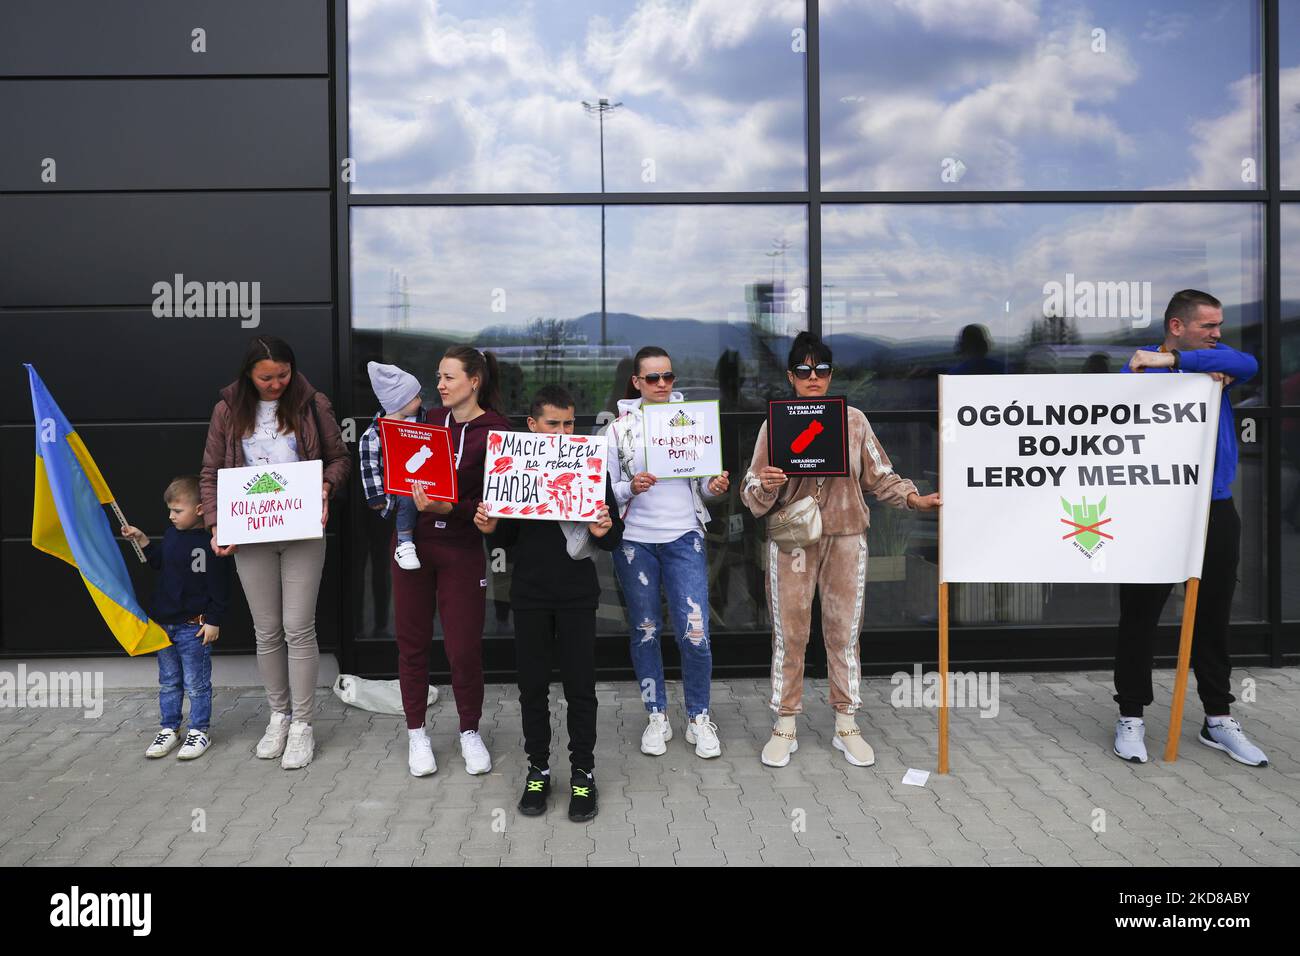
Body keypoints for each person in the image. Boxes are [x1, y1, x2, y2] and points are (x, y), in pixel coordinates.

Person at [741, 332, 941, 768]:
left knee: (843, 632)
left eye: (823, 370)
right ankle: (785, 722)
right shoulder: (774, 424)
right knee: (790, 633)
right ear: (792, 377)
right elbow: (751, 488)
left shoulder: (853, 422)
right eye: (805, 371)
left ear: (831, 375)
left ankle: (846, 722)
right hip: (794, 539)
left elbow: (880, 475)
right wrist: (768, 485)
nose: (814, 379)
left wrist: (913, 498)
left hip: (846, 535)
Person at [1114, 289, 1267, 766]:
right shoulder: (1139, 369)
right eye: (1209, 326)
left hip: (1214, 507)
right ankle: (1131, 716)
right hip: (1155, 508)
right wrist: (1170, 367)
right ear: (1177, 326)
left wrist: (1188, 362)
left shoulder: (1219, 362)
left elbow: (1251, 365)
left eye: (1220, 326)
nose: (1218, 334)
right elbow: (1122, 398)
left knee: (1214, 614)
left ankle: (1217, 718)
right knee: (1140, 614)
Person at [474, 385, 624, 821]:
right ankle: (537, 769)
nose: (562, 432)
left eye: (569, 423)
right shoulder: (511, 467)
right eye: (553, 424)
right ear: (533, 426)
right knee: (532, 689)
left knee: (581, 690)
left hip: (578, 596)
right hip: (530, 596)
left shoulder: (592, 469)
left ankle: (583, 774)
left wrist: (602, 531)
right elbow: (503, 538)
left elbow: (613, 538)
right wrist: (489, 526)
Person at [201, 336, 350, 770]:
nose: (275, 384)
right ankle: (278, 717)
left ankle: (303, 725)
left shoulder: (311, 402)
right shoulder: (227, 411)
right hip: (251, 530)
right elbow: (211, 472)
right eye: (266, 377)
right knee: (266, 630)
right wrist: (215, 523)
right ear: (249, 373)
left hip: (303, 528)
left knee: (297, 627)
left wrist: (326, 485)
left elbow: (338, 458)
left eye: (283, 375)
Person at [604, 346, 729, 758]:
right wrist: (630, 487)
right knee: (645, 631)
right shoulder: (618, 430)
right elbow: (608, 490)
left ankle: (698, 716)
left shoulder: (691, 421)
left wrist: (715, 488)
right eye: (653, 378)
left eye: (668, 377)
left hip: (684, 537)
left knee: (695, 632)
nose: (662, 384)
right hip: (635, 540)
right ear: (636, 382)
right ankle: (656, 715)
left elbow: (707, 488)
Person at [394, 346, 510, 777]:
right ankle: (416, 734)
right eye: (438, 377)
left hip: (460, 547)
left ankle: (469, 731)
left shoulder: (497, 431)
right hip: (414, 546)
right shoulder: (427, 422)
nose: (439, 385)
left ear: (474, 381)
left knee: (464, 648)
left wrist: (455, 510)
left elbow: (497, 498)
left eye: (448, 378)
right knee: (413, 644)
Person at [121, 475, 230, 761]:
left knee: (196, 683)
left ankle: (199, 730)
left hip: (193, 628)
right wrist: (143, 540)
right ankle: (170, 728)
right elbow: (158, 562)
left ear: (199, 510)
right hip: (163, 625)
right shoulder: (171, 536)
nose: (171, 516)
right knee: (169, 681)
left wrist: (214, 620)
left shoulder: (211, 543)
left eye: (177, 511)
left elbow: (220, 585)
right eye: (169, 510)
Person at [358, 361, 426, 571]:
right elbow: (368, 465)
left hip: (426, 483)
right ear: (398, 402)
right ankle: (404, 542)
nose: (420, 400)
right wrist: (376, 495)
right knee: (406, 497)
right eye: (414, 397)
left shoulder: (423, 422)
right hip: (398, 488)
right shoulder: (374, 434)